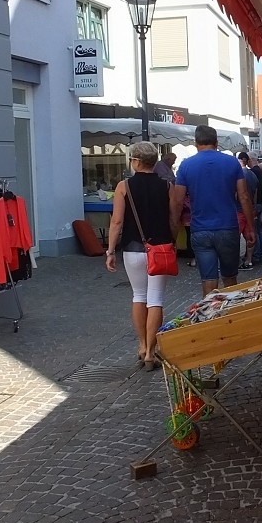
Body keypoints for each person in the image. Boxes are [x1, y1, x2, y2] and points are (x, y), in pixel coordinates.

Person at [106, 141, 181, 371]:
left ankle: (141, 345)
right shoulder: (167, 186)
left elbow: (117, 222)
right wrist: (174, 241)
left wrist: (110, 251)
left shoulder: (123, 187)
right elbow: (172, 218)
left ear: (136, 161)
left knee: (139, 295)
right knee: (155, 298)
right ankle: (151, 351)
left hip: (133, 248)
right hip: (160, 248)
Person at [173, 125, 256, 297]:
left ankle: (211, 318)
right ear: (217, 142)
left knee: (208, 281)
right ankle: (230, 320)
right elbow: (244, 196)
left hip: (200, 229)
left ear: (196, 143)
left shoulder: (186, 166)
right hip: (227, 227)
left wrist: (173, 231)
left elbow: (178, 202)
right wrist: (250, 227)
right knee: (230, 278)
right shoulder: (232, 162)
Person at [237, 152, 262, 269]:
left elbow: (238, 194)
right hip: (251, 208)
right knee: (250, 236)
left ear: (241, 160)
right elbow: (256, 193)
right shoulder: (252, 175)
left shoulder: (239, 175)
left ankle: (235, 260)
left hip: (239, 209)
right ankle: (249, 260)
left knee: (235, 236)